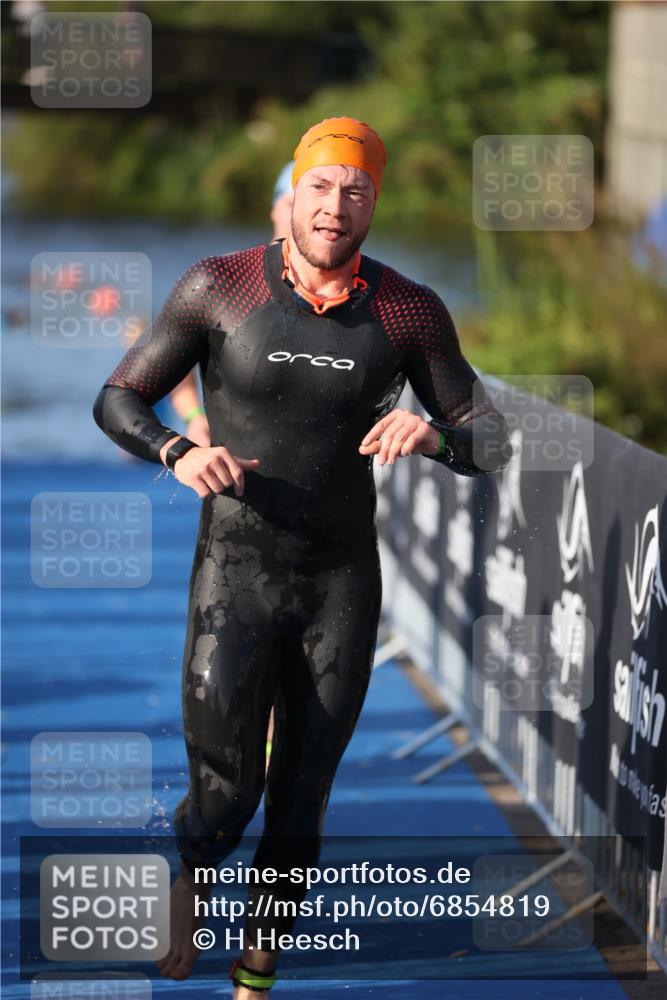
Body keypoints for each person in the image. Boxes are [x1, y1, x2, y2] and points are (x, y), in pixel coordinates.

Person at [93, 116, 512, 996]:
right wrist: (176, 451)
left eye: (354, 190)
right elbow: (119, 396)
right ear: (294, 199)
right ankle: (194, 867)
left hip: (339, 582)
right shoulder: (221, 287)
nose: (335, 206)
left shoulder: (406, 309)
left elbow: (492, 441)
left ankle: (255, 978)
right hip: (233, 575)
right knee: (225, 794)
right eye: (320, 188)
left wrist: (431, 434)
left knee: (301, 794)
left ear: (373, 204)